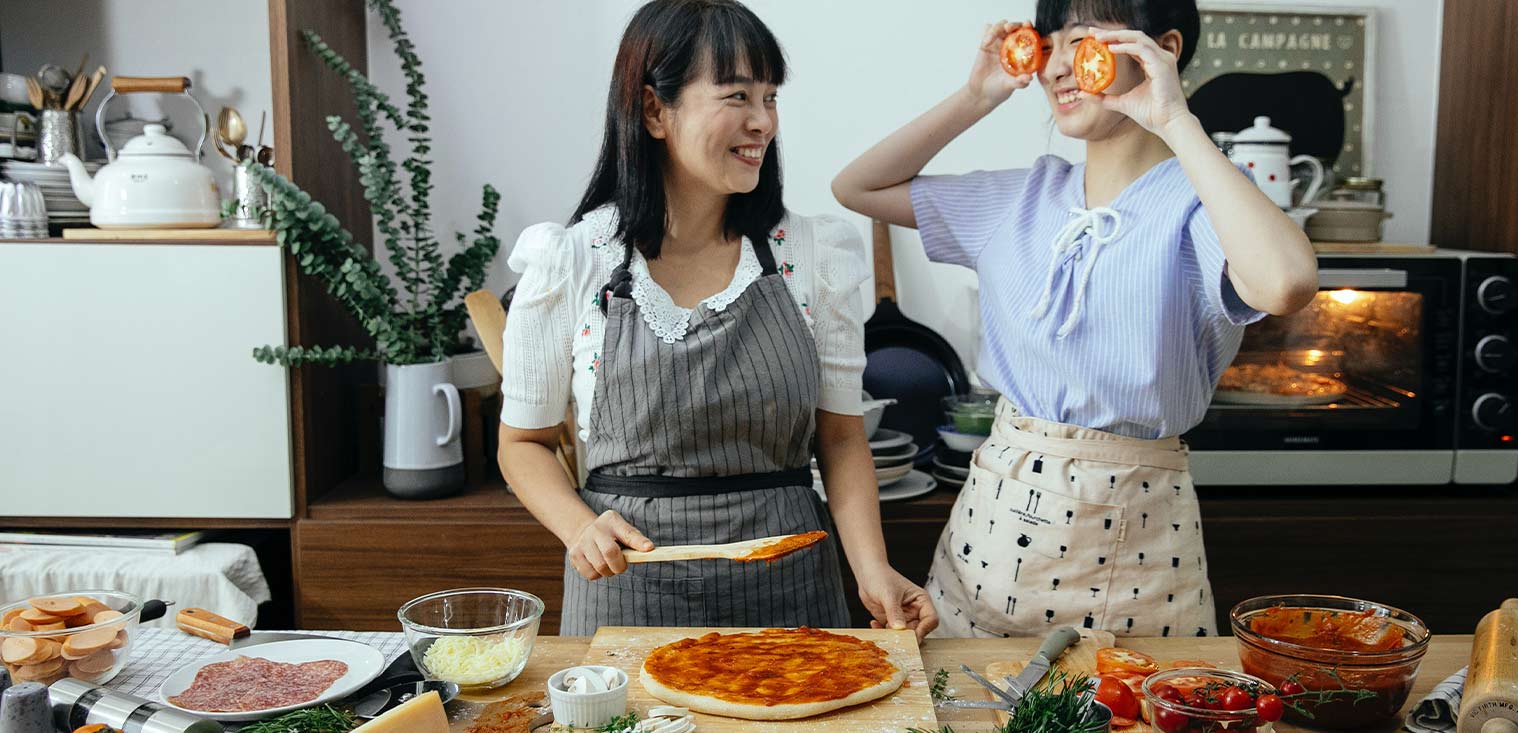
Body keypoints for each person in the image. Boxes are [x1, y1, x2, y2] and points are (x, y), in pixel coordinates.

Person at [830, 0, 1317, 637]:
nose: (1058, 65)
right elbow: (855, 187)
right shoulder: (1019, 195)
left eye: (1082, 41)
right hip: (993, 532)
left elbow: (1286, 283)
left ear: (1163, 50)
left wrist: (1176, 120)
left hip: (1141, 535)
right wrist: (977, 97)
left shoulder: (1204, 205)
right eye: (1049, 43)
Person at [498, 0, 938, 639]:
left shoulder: (814, 256)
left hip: (788, 590)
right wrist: (578, 526)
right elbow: (523, 444)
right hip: (628, 597)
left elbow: (840, 439)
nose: (763, 122)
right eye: (737, 96)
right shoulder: (571, 260)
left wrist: (873, 572)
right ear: (654, 110)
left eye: (771, 98)